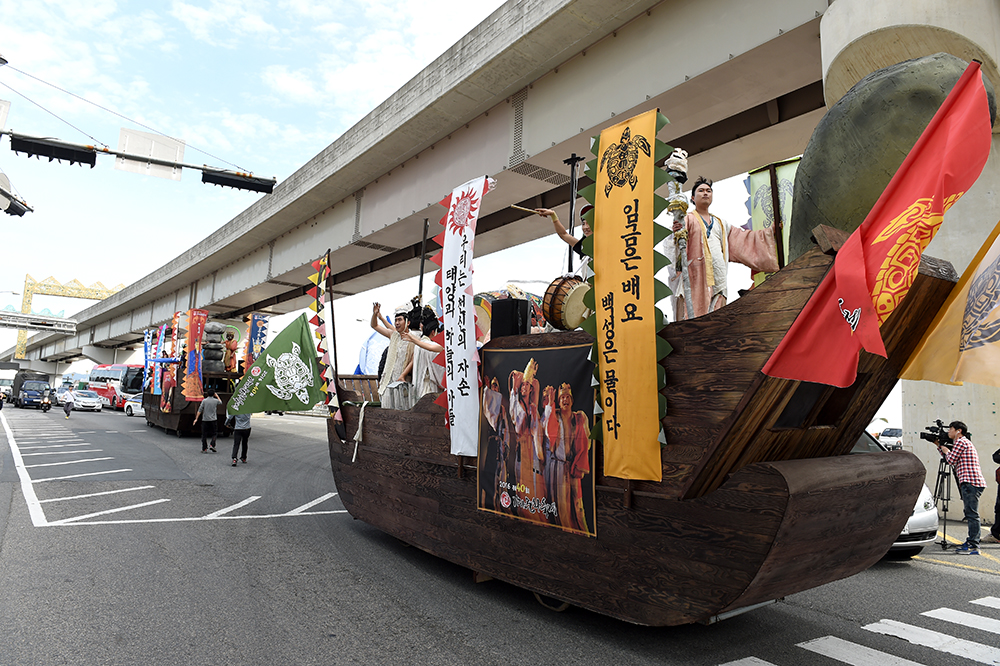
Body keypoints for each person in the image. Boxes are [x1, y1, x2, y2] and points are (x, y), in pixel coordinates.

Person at [668, 176, 779, 320]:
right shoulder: (687, 218)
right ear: (693, 198)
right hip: (695, 276)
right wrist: (676, 232)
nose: (705, 193)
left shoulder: (721, 223)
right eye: (701, 191)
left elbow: (743, 239)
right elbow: (675, 246)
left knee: (717, 316)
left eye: (708, 191)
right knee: (693, 316)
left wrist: (769, 232)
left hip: (718, 277)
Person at [542, 383, 591, 532]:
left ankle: (583, 534)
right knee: (561, 506)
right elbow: (547, 432)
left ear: (572, 399)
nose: (565, 400)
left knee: (577, 506)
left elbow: (587, 441)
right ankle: (565, 535)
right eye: (562, 397)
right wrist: (550, 404)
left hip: (574, 466)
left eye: (567, 397)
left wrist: (578, 461)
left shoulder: (579, 418)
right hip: (557, 467)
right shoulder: (554, 416)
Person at [937, 421, 987, 555]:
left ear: (958, 431)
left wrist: (946, 450)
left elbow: (950, 460)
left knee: (972, 514)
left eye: (951, 429)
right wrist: (939, 446)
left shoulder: (961, 442)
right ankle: (972, 542)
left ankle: (973, 545)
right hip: (972, 482)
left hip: (970, 482)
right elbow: (951, 458)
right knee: (970, 513)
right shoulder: (963, 442)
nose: (948, 432)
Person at [370, 302, 415, 410]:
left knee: (401, 411)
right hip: (388, 381)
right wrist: (375, 314)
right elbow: (374, 325)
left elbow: (413, 360)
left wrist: (403, 375)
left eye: (400, 320)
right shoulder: (394, 335)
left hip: (402, 383)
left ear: (408, 322)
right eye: (396, 320)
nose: (397, 323)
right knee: (386, 410)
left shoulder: (414, 338)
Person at [401, 306, 445, 400]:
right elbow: (440, 374)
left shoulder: (418, 345)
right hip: (429, 390)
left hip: (417, 388)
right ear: (433, 332)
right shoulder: (431, 345)